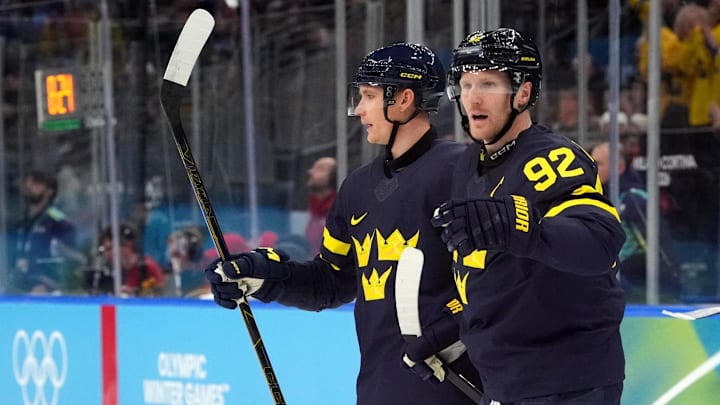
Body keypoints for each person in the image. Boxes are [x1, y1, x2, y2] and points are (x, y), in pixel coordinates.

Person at [204, 43, 482, 404]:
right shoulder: (358, 188)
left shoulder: (462, 171)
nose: (360, 110)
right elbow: (331, 281)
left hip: (452, 389)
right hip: (377, 389)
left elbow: (497, 281)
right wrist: (266, 278)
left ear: (403, 99)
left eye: (368, 96)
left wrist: (451, 330)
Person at [431, 28, 626, 404]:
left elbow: (600, 243)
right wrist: (448, 330)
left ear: (523, 92)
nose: (473, 97)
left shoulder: (552, 159)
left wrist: (519, 225)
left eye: (488, 83)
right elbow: (491, 276)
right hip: (504, 380)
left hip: (568, 382)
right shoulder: (468, 164)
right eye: (466, 84)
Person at [589, 141, 679, 302]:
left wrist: (670, 281)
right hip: (615, 283)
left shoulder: (633, 199)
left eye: (598, 164)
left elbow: (658, 248)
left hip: (642, 288)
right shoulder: (599, 198)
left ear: (619, 168)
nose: (592, 168)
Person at [8, 169, 82, 294]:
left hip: (46, 290)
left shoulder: (59, 222)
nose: (29, 186)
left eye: (36, 184)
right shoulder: (20, 223)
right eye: (28, 182)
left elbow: (71, 260)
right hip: (18, 287)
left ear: (49, 191)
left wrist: (50, 286)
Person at [95, 222, 166, 297]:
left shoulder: (146, 267)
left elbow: (159, 293)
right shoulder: (113, 272)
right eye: (104, 250)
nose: (107, 254)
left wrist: (136, 292)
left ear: (128, 244)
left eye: (109, 249)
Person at [305, 156, 337, 257]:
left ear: (333, 176)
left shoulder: (338, 209)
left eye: (320, 169)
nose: (311, 172)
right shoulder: (315, 207)